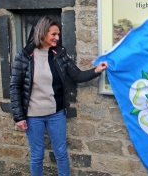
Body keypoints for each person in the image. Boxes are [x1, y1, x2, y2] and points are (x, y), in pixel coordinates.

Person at [10, 16, 108, 176]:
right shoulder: (24, 56)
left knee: (61, 153)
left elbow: (76, 75)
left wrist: (97, 70)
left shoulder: (59, 54)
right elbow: (15, 87)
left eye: (58, 34)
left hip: (56, 114)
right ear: (42, 33)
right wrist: (19, 117)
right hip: (33, 116)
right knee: (37, 155)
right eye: (53, 34)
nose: (57, 38)